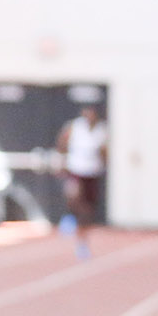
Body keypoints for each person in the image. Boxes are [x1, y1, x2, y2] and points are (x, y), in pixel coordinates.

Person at [56, 103, 108, 260]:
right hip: (76, 170)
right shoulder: (75, 127)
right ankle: (70, 217)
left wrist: (104, 163)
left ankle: (82, 236)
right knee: (76, 199)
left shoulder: (101, 130)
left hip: (92, 172)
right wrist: (62, 162)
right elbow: (62, 143)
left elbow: (104, 151)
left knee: (88, 208)